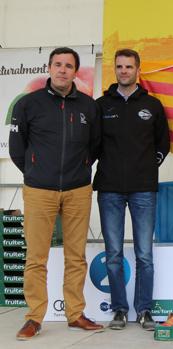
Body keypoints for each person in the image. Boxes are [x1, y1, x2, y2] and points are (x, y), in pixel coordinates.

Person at [9, 47, 103, 340]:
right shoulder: (28, 104)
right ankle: (34, 318)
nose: (63, 70)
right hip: (39, 190)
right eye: (58, 64)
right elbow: (16, 148)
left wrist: (81, 169)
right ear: (49, 68)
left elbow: (96, 146)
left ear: (76, 71)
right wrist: (36, 172)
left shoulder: (89, 106)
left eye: (69, 66)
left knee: (76, 257)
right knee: (36, 258)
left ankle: (75, 314)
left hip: (77, 190)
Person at [93, 49, 170, 331]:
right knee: (113, 254)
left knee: (144, 255)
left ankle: (145, 310)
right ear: (114, 69)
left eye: (129, 66)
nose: (124, 71)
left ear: (138, 69)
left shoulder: (153, 104)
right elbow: (92, 146)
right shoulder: (101, 105)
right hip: (109, 189)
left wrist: (150, 167)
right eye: (119, 66)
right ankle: (119, 310)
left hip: (143, 189)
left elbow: (163, 144)